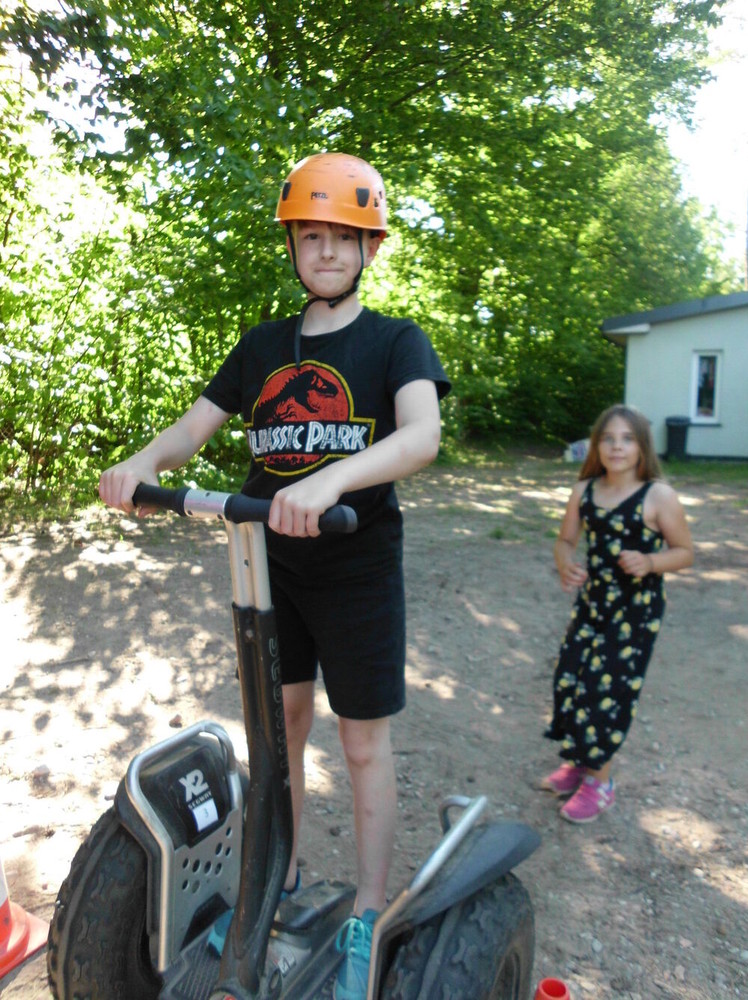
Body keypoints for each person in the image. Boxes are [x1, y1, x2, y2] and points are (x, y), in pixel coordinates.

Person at [98, 151, 450, 1000]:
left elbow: (421, 436)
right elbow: (195, 427)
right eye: (311, 236)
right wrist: (142, 463)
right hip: (269, 565)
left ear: (369, 248)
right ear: (293, 246)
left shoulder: (395, 341)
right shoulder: (262, 346)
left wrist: (332, 481)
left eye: (343, 237)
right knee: (278, 729)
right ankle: (276, 879)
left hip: (357, 565)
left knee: (361, 742)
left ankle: (368, 908)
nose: (326, 251)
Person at [542, 405, 693, 824]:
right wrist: (565, 564)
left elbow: (685, 552)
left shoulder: (658, 496)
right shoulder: (584, 491)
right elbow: (565, 541)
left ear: (642, 446)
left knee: (603, 692)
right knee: (570, 678)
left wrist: (651, 562)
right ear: (596, 446)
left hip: (636, 613)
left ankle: (600, 784)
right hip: (593, 604)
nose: (616, 447)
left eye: (627, 438)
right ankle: (579, 762)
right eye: (608, 438)